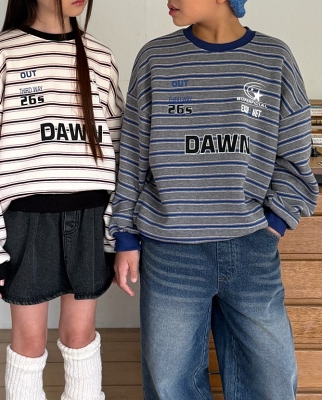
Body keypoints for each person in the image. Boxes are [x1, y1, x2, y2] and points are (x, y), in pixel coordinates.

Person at [110, 0, 319, 399]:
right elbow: (132, 155)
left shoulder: (274, 59)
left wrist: (274, 224)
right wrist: (124, 234)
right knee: (171, 382)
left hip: (251, 247)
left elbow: (294, 155)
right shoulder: (155, 58)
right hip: (170, 250)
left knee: (270, 380)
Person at [0, 0, 123, 399]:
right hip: (27, 220)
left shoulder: (100, 57)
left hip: (90, 216)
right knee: (29, 341)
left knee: (81, 335)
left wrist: (118, 230)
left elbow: (122, 148)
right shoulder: (2, 53)